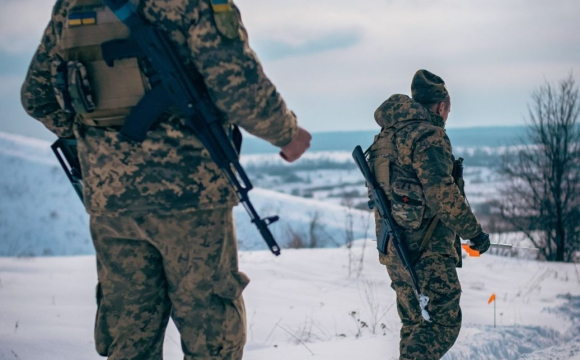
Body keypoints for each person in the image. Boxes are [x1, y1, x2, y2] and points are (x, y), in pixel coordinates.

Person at [21, 0, 311, 359]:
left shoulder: (73, 5)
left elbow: (36, 98)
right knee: (210, 327)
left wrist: (96, 143)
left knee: (129, 334)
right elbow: (238, 88)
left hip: (112, 201)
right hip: (190, 195)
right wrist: (288, 134)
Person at [367, 69, 490, 359]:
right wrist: (474, 233)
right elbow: (442, 195)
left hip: (392, 246)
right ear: (442, 106)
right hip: (425, 250)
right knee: (444, 322)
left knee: (415, 322)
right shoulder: (428, 135)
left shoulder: (387, 135)